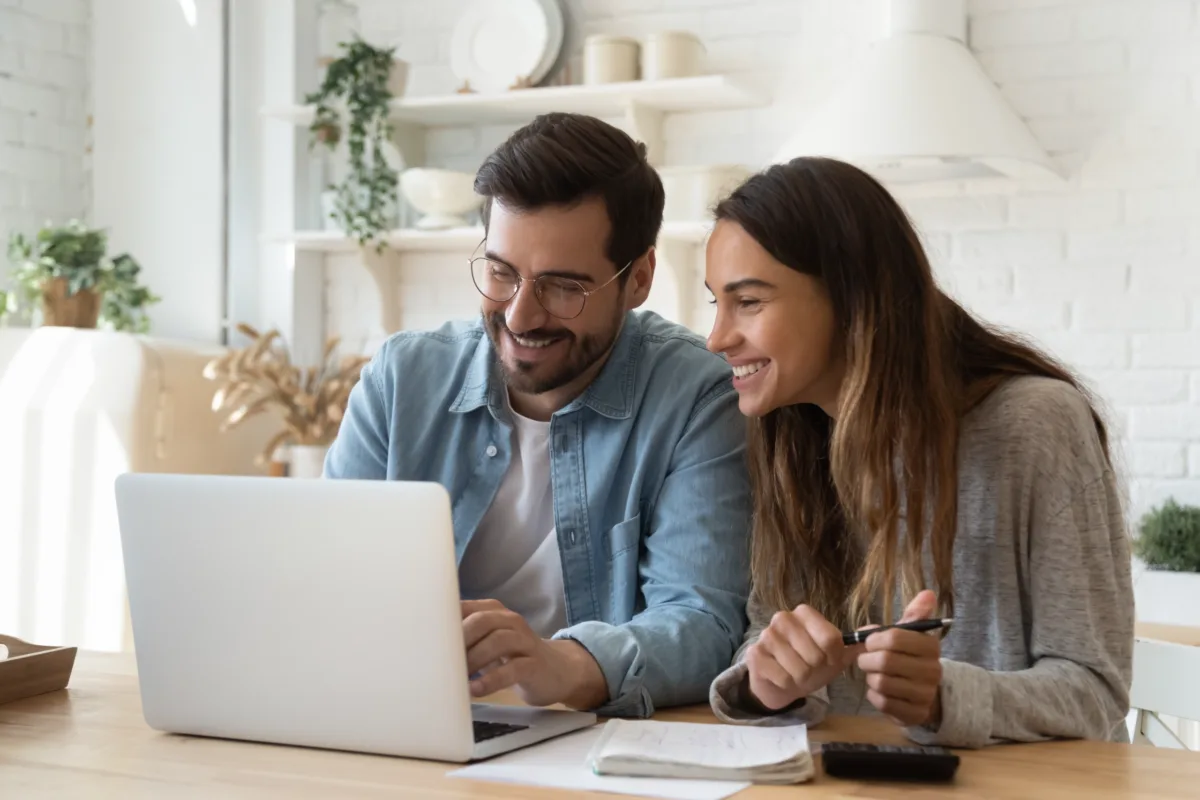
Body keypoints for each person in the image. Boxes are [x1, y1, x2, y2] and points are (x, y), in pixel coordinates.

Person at [323, 112, 752, 719]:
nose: (521, 316)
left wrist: (564, 665)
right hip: (405, 718)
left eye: (562, 286)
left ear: (639, 279)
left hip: (587, 742)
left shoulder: (696, 399)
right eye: (501, 272)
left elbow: (702, 623)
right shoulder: (400, 380)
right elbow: (325, 580)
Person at [703, 156, 1134, 748]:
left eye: (748, 302)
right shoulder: (792, 439)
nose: (717, 337)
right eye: (715, 304)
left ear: (850, 298)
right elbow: (767, 634)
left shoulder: (1036, 425)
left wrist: (942, 698)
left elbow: (1096, 692)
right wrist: (769, 682)